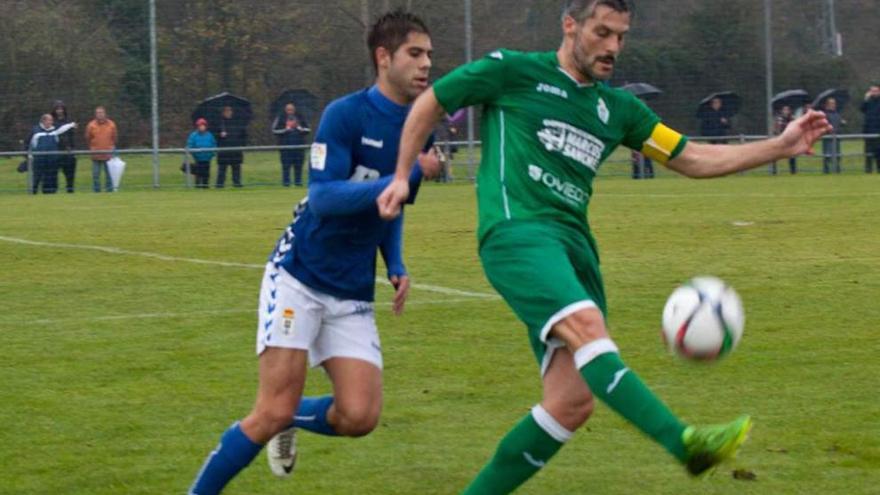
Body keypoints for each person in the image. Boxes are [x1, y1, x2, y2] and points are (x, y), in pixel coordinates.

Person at [377, 1, 832, 493]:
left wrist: (780, 146)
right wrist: (402, 175)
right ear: (570, 26)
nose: (612, 46)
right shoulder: (511, 70)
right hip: (518, 233)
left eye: (620, 36)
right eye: (602, 32)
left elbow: (692, 157)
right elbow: (433, 102)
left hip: (576, 248)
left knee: (571, 404)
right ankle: (686, 444)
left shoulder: (621, 110)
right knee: (588, 328)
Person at [188, 10, 440, 495]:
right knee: (268, 411)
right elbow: (324, 196)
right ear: (383, 58)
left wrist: (398, 264)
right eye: (415, 53)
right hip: (299, 277)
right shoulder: (345, 114)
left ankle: (293, 417)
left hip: (350, 287)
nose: (427, 64)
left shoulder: (419, 124)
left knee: (360, 416)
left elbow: (394, 206)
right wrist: (403, 178)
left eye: (429, 54)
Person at [26, 114, 76, 194]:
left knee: (51, 179)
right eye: (49, 120)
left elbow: (62, 129)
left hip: (52, 161)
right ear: (43, 121)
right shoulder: (35, 131)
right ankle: (33, 193)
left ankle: (50, 194)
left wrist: (71, 125)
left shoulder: (54, 131)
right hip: (39, 161)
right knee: (36, 178)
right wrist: (28, 156)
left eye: (51, 120)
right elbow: (29, 144)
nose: (51, 122)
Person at [272, 103, 311, 187]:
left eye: (292, 109)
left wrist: (299, 128)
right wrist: (286, 129)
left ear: (294, 110)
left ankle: (298, 182)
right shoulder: (281, 117)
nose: (290, 111)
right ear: (285, 110)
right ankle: (286, 183)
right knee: (286, 166)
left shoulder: (300, 117)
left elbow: (308, 129)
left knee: (299, 165)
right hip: (285, 147)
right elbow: (274, 130)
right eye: (288, 110)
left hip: (299, 146)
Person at [85, 106, 118, 193]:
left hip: (108, 155)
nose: (100, 114)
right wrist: (93, 147)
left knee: (109, 175)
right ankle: (97, 191)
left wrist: (111, 147)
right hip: (96, 155)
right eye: (98, 113)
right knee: (95, 175)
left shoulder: (112, 124)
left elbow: (114, 138)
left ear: (105, 113)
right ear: (95, 114)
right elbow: (88, 138)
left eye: (101, 112)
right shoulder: (91, 125)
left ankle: (109, 191)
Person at [214, 106, 248, 188]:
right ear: (223, 112)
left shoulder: (237, 123)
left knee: (236, 168)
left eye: (229, 111)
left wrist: (242, 144)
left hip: (236, 150)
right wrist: (220, 134)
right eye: (226, 111)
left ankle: (237, 183)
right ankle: (219, 184)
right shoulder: (219, 123)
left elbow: (244, 135)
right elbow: (214, 136)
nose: (228, 112)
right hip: (223, 150)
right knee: (222, 169)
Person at [51, 101, 77, 192]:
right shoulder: (52, 122)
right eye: (57, 109)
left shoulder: (69, 121)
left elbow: (72, 136)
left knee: (70, 176)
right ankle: (53, 191)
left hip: (68, 153)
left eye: (61, 109)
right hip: (56, 152)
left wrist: (72, 148)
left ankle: (70, 191)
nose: (59, 111)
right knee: (53, 175)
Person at [186, 118, 217, 189]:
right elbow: (190, 145)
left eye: (203, 125)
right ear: (197, 126)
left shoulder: (209, 135)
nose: (202, 127)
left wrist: (211, 154)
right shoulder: (193, 135)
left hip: (207, 158)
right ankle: (197, 186)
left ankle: (205, 186)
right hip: (198, 158)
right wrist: (194, 154)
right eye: (200, 125)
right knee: (198, 173)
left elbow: (214, 144)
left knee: (206, 173)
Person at [771, 105, 797, 175]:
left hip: (790, 139)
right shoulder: (779, 118)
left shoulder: (792, 118)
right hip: (781, 139)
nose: (785, 111)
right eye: (784, 110)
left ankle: (793, 171)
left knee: (792, 156)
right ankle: (774, 171)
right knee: (776, 155)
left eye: (787, 110)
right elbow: (777, 129)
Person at [821, 97, 845, 174]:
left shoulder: (837, 114)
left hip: (836, 138)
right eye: (831, 103)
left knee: (837, 155)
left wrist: (842, 123)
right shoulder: (824, 114)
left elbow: (838, 124)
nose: (833, 105)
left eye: (834, 103)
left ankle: (837, 170)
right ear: (827, 105)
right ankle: (826, 171)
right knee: (827, 155)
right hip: (828, 138)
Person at [861, 84, 880, 173]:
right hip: (868, 130)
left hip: (878, 130)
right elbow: (862, 109)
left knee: (878, 152)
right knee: (868, 152)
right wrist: (865, 99)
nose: (873, 93)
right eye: (872, 91)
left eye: (875, 91)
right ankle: (868, 170)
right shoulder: (868, 101)